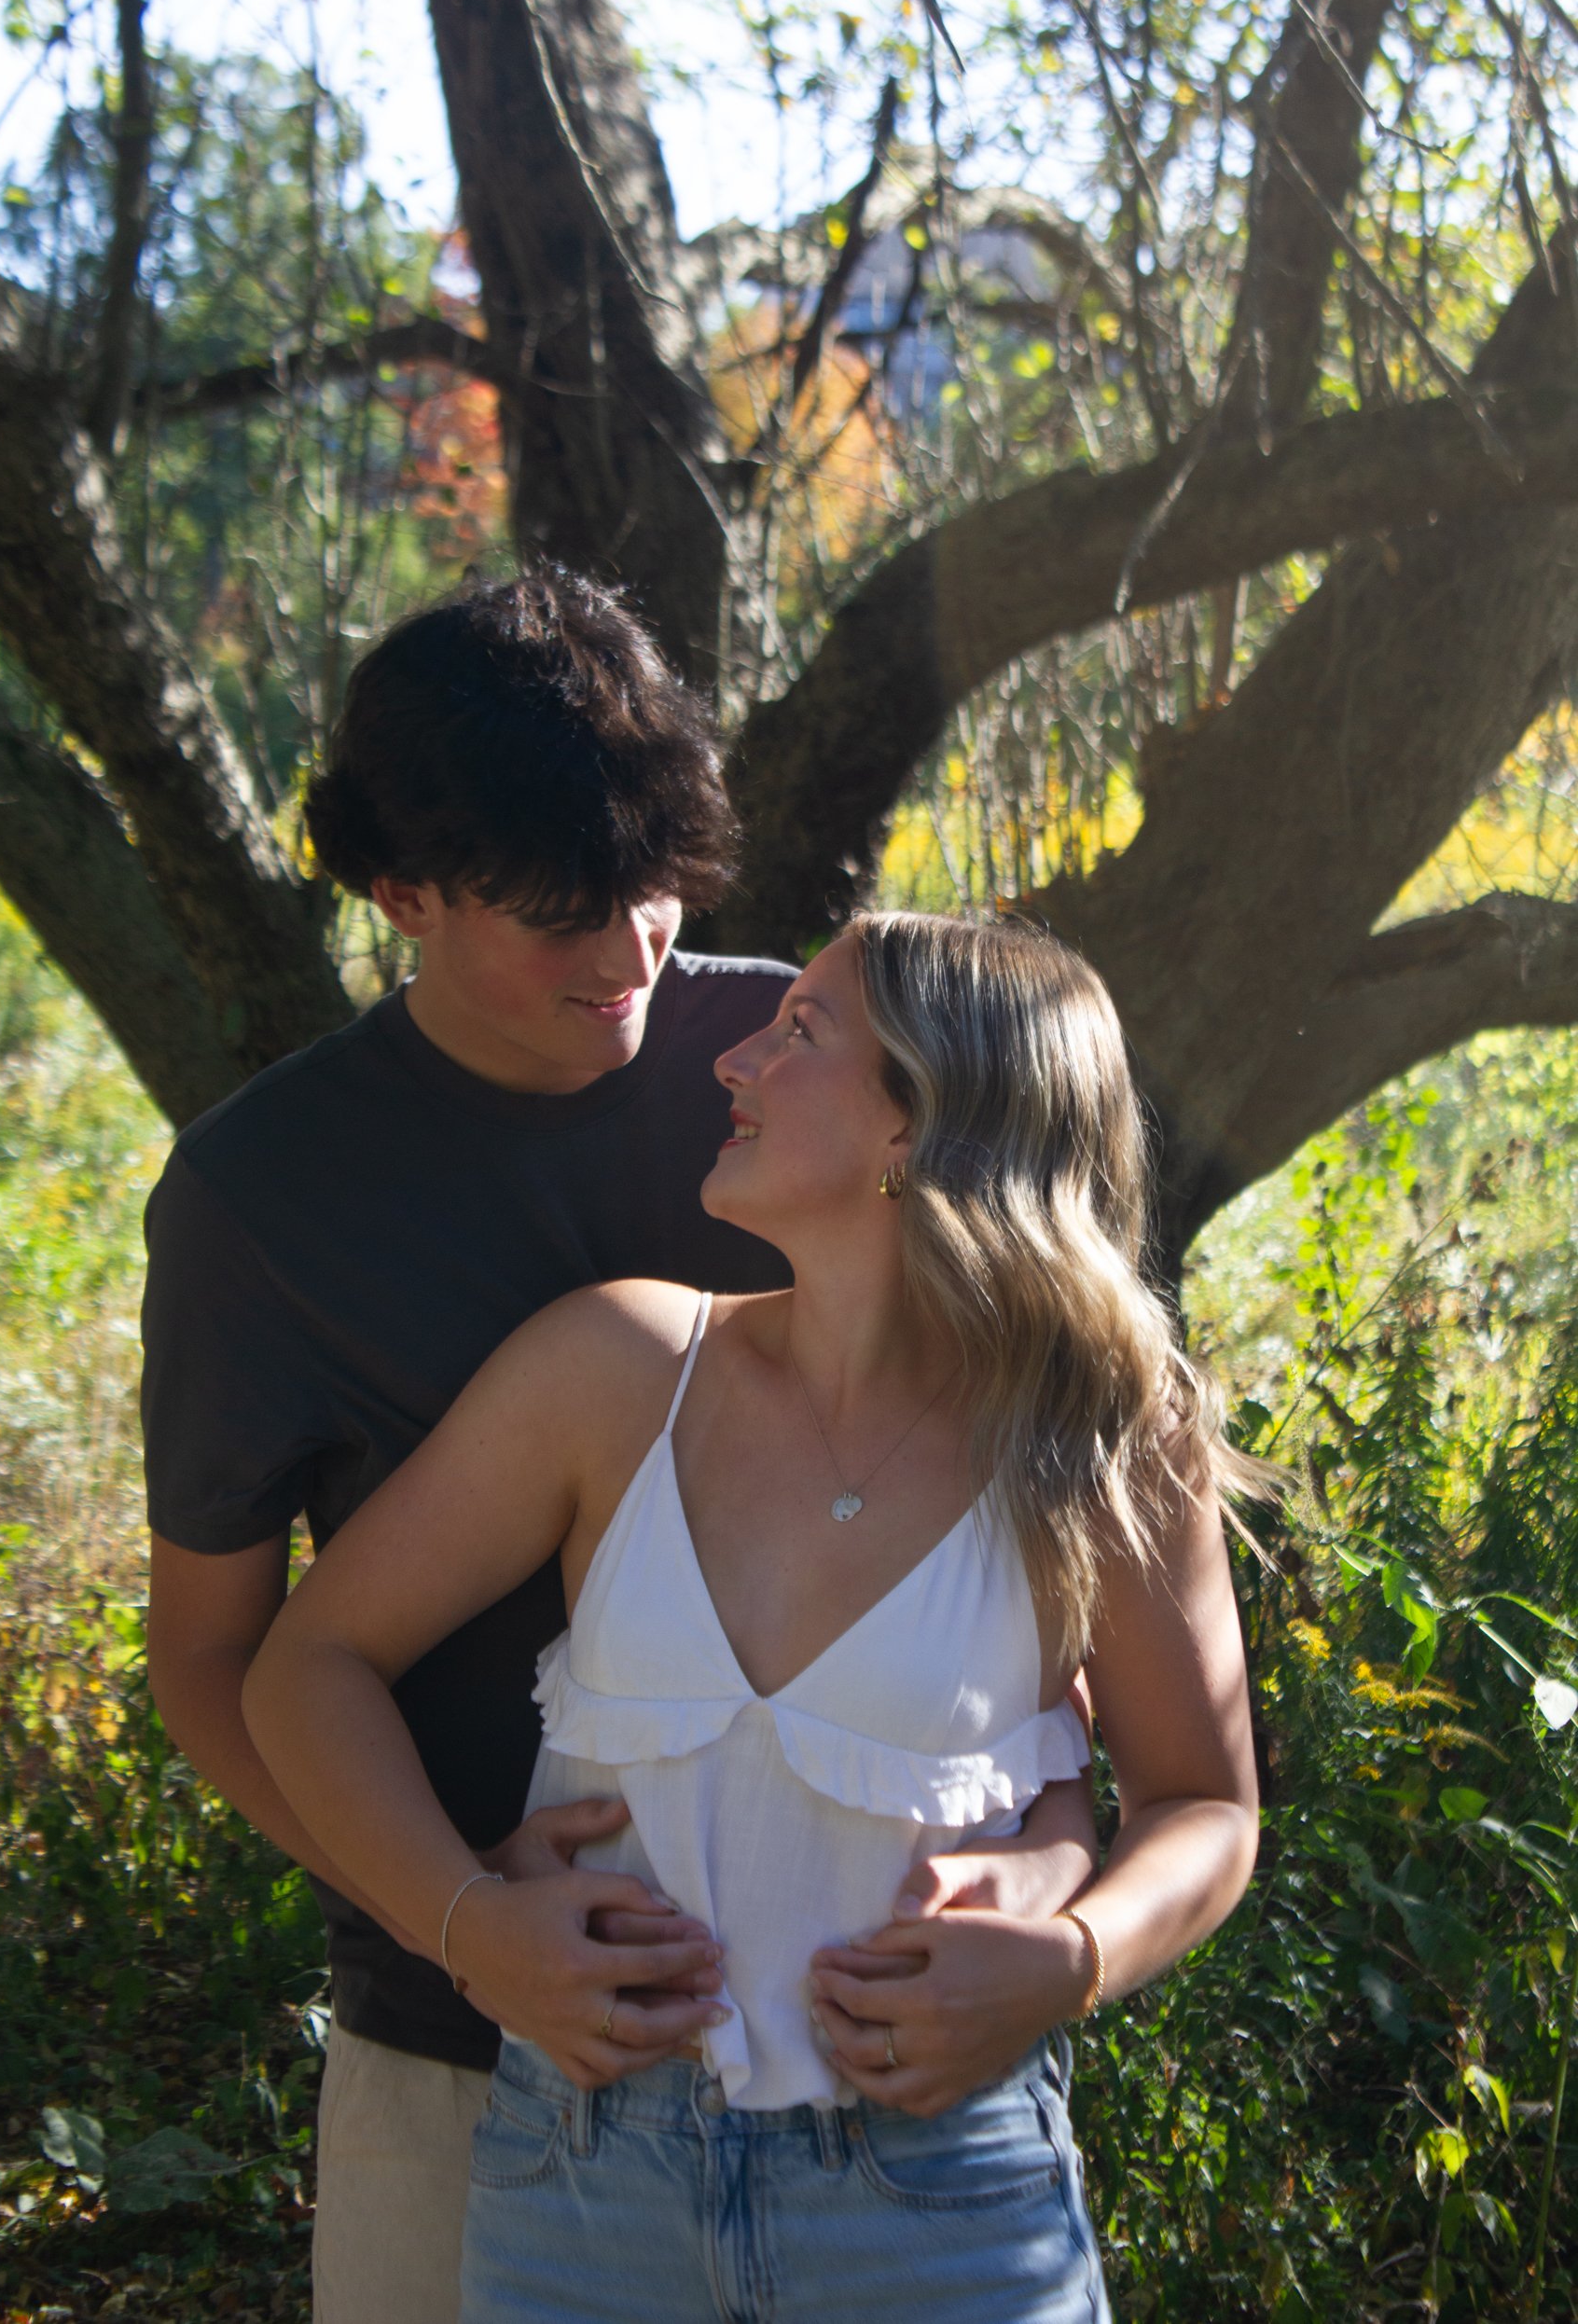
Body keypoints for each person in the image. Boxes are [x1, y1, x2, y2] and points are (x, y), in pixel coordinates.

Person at [142, 577, 1096, 2323]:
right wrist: (456, 1920)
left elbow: (1028, 1517)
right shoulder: (254, 1200)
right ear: (400, 899)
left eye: (659, 885)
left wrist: (1051, 1856)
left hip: (870, 2081)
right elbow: (218, 1662)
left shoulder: (806, 1068)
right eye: (563, 913)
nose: (633, 951)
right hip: (455, 2068)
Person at [243, 908, 1264, 2323]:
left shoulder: (1103, 1436)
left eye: (801, 1033)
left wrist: (1069, 1963)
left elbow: (1207, 1803)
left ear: (920, 1123)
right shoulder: (617, 1365)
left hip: (940, 2200)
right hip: (581, 2186)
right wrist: (464, 1923)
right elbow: (308, 1668)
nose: (731, 1058)